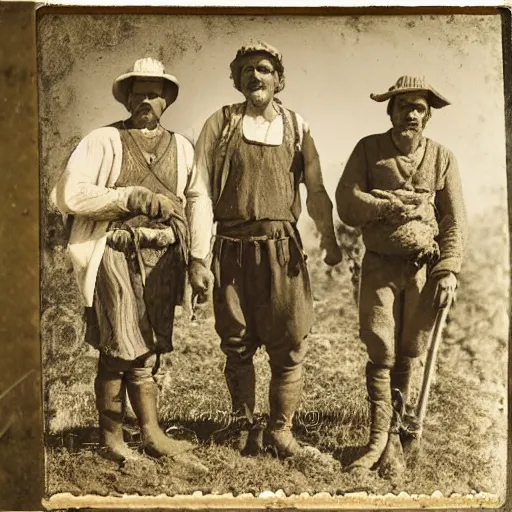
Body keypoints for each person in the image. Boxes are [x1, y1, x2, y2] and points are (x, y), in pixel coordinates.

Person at [186, 41, 342, 458]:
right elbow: (199, 191)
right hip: (231, 249)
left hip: (282, 252)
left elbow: (317, 189)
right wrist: (199, 258)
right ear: (236, 80)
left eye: (265, 68)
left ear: (279, 79)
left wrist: (328, 238)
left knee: (289, 342)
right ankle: (245, 428)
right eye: (247, 70)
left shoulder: (297, 126)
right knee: (236, 343)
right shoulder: (220, 124)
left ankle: (281, 431)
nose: (255, 76)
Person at [51, 58, 209, 466]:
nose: (145, 100)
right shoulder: (104, 140)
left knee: (150, 348)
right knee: (120, 346)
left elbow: (198, 201)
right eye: (137, 92)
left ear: (167, 101)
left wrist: (197, 259)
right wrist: (127, 198)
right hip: (115, 250)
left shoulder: (184, 148)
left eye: (153, 93)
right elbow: (69, 194)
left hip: (163, 255)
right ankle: (113, 438)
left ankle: (152, 435)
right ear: (126, 98)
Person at [335, 75, 467, 470]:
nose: (411, 113)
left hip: (424, 271)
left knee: (410, 350)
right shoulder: (368, 150)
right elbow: (346, 202)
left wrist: (448, 270)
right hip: (378, 265)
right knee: (381, 348)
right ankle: (376, 441)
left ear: (427, 116)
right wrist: (385, 206)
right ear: (390, 111)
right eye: (403, 105)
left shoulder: (442, 158)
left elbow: (454, 221)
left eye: (419, 108)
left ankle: (395, 439)